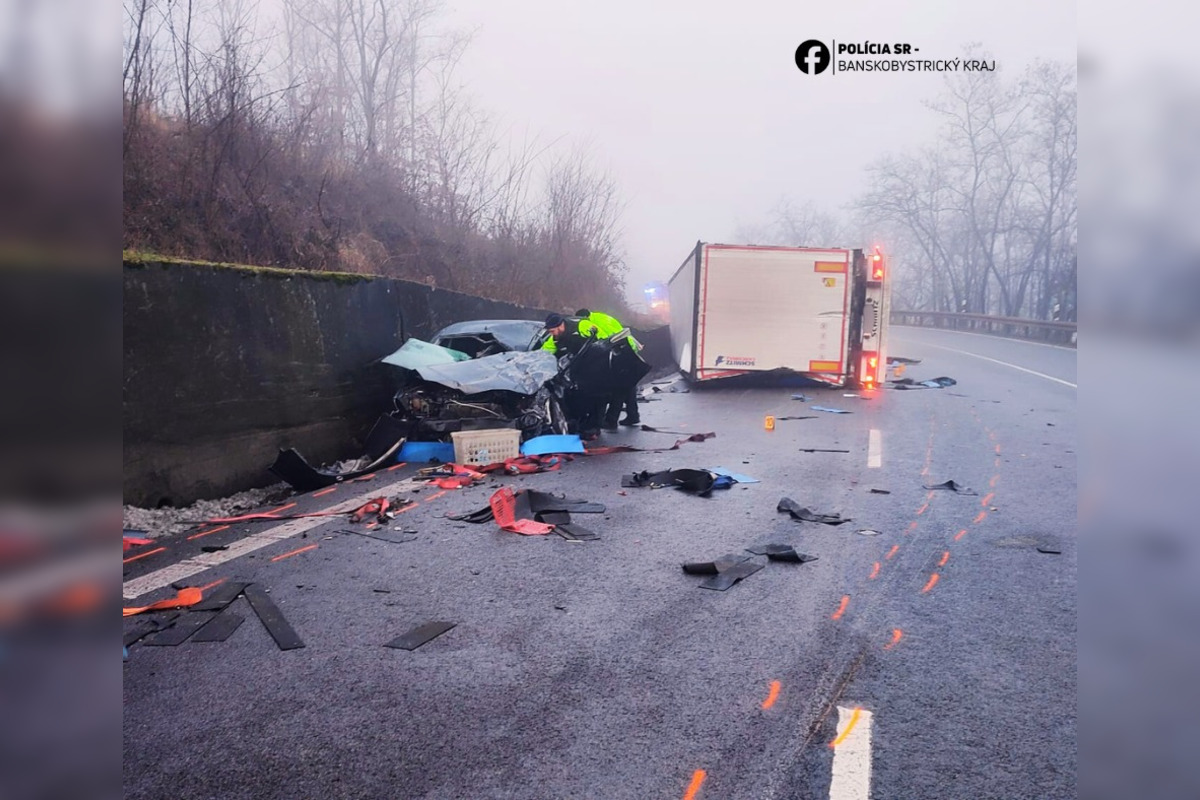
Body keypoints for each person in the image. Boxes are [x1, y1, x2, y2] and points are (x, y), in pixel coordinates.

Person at [575, 309, 645, 429]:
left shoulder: (594, 323)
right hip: (628, 350)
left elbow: (603, 340)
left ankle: (611, 420)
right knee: (628, 385)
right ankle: (633, 415)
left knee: (618, 388)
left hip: (620, 353)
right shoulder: (602, 317)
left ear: (584, 317)